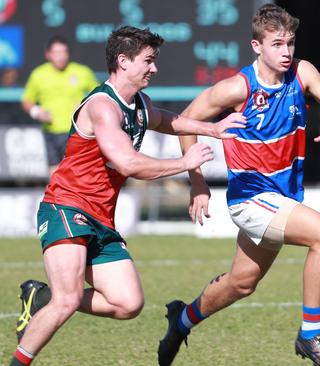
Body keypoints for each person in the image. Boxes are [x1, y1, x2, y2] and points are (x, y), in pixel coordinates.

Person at [9, 26, 246, 366]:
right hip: (66, 206)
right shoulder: (104, 108)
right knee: (68, 298)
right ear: (123, 61)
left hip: (101, 217)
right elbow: (127, 162)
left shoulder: (138, 104)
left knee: (127, 304)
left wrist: (213, 128)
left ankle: (41, 296)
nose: (154, 68)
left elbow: (167, 120)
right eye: (148, 61)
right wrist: (184, 163)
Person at [157, 4, 320, 366]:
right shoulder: (238, 87)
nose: (286, 51)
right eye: (277, 44)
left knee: (241, 283)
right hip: (250, 199)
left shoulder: (303, 73)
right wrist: (197, 182)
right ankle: (311, 336)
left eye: (290, 43)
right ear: (257, 46)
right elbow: (184, 121)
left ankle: (181, 320)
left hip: (281, 198)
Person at [21, 36, 98, 176]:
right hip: (51, 132)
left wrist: (85, 105)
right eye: (56, 53)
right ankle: (57, 197)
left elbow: (100, 96)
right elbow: (27, 101)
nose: (61, 57)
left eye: (64, 52)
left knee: (76, 172)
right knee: (55, 174)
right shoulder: (39, 74)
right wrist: (36, 111)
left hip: (77, 132)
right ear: (48, 54)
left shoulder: (82, 72)